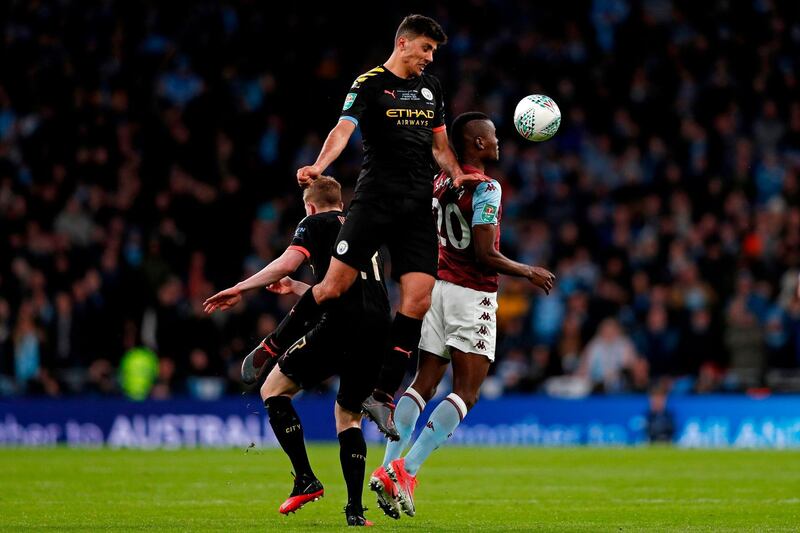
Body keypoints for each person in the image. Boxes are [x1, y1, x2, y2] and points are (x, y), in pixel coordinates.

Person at [290, 14, 488, 439]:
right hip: (375, 201)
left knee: (418, 298)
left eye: (433, 51)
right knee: (332, 288)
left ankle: (380, 392)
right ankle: (275, 344)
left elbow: (440, 146)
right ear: (403, 43)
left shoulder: (431, 88)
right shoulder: (369, 84)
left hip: (416, 208)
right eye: (425, 49)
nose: (429, 58)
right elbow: (344, 130)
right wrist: (319, 166)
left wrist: (456, 173)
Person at [368, 112, 556, 519]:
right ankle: (407, 470)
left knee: (423, 382)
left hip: (436, 288)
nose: (497, 141)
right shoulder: (487, 188)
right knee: (466, 391)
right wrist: (528, 271)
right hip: (472, 294)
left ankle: (386, 466)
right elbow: (484, 254)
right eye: (490, 136)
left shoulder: (442, 181)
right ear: (476, 144)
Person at [203, 177, 390, 526]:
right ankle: (355, 512)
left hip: (339, 325)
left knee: (272, 389)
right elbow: (349, 290)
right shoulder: (362, 226)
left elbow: (288, 261)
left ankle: (305, 478)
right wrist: (296, 287)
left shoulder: (313, 223)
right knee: (348, 417)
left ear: (310, 206)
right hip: (377, 328)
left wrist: (241, 287)